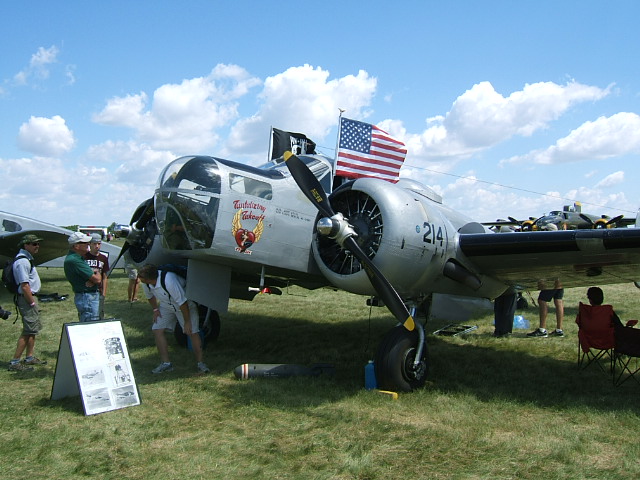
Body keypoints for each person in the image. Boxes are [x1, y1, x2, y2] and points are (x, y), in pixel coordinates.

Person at [137, 264, 210, 374]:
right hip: (166, 305)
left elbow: (183, 303)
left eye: (141, 278)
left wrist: (187, 322)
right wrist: (155, 310)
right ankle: (166, 364)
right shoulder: (146, 284)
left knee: (192, 332)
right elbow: (150, 296)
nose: (139, 280)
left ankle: (201, 364)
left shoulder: (169, 281)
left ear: (149, 278)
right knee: (157, 329)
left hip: (185, 305)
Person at [8, 234, 46, 371]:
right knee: (28, 330)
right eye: (34, 244)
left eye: (38, 244)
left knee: (32, 329)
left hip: (29, 297)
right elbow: (24, 286)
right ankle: (15, 362)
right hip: (27, 299)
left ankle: (29, 357)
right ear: (26, 245)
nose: (37, 246)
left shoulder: (27, 259)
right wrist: (32, 303)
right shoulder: (22, 262)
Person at [64, 232, 102, 322]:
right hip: (87, 297)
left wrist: (92, 277)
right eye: (85, 243)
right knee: (90, 325)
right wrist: (97, 272)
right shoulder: (75, 260)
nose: (88, 244)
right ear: (76, 246)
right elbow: (97, 279)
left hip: (86, 296)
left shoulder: (77, 258)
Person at [84, 233, 110, 319]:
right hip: (86, 291)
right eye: (94, 244)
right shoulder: (84, 257)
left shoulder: (103, 258)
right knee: (87, 314)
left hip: (98, 291)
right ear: (90, 244)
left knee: (99, 314)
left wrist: (104, 293)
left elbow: (105, 277)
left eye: (99, 244)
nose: (97, 246)